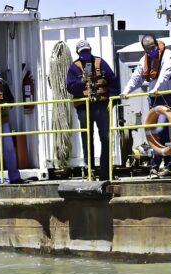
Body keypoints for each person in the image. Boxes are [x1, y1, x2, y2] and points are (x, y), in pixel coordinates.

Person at [121, 34, 171, 178]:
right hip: (154, 99)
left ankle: (163, 165)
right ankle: (157, 166)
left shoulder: (167, 55)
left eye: (153, 48)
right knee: (156, 132)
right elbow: (136, 78)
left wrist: (157, 88)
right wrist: (126, 91)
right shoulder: (143, 60)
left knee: (163, 130)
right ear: (144, 50)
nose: (151, 51)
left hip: (168, 96)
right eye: (148, 50)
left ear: (157, 44)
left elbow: (165, 74)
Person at [66, 39, 119, 180]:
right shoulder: (74, 68)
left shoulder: (100, 62)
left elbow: (113, 81)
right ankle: (90, 171)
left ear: (90, 50)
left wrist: (112, 98)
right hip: (84, 108)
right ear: (78, 53)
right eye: (82, 52)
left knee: (106, 138)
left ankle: (106, 172)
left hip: (102, 106)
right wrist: (82, 81)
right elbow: (70, 87)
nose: (85, 54)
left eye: (87, 51)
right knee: (87, 138)